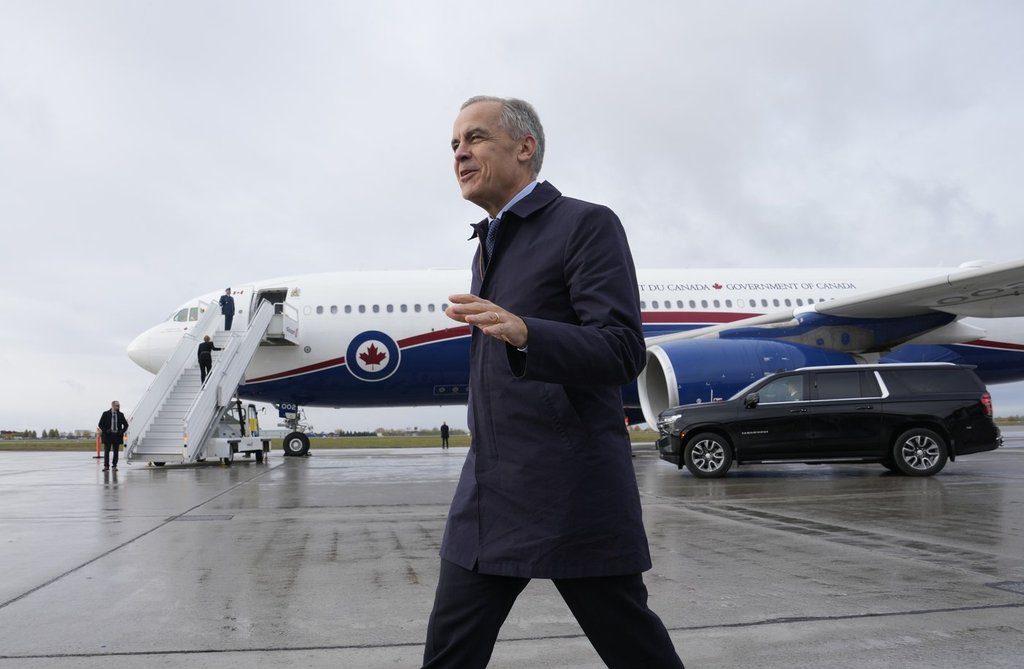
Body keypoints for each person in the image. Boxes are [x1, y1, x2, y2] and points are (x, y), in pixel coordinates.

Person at [421, 96, 684, 668]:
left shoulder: (585, 225)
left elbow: (621, 349)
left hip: (570, 486)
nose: (460, 153)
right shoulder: (489, 244)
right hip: (490, 487)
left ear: (525, 147)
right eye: (454, 144)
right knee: (449, 652)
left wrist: (527, 334)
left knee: (633, 649)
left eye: (475, 138)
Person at [97, 401, 128, 471]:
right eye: (117, 405)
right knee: (106, 451)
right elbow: (100, 424)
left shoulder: (121, 414)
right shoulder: (105, 414)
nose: (118, 407)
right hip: (108, 435)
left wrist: (122, 431)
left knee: (116, 451)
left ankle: (114, 466)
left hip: (117, 435)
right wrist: (106, 431)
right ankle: (106, 466)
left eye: (119, 405)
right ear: (113, 406)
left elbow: (126, 425)